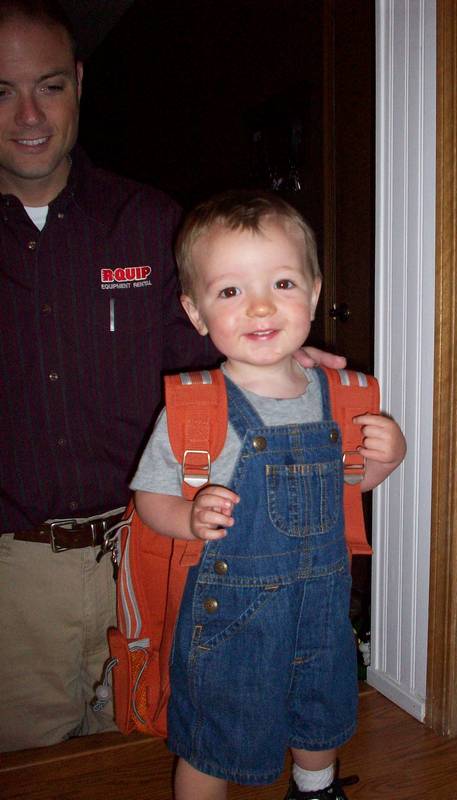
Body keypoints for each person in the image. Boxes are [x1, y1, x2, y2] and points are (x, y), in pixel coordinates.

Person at [0, 0, 342, 753]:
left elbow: (215, 356)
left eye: (49, 86)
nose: (28, 114)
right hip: (16, 577)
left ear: (78, 82)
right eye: (2, 91)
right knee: (34, 768)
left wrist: (281, 358)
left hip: (156, 547)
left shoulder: (153, 222)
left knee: (155, 736)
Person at [131, 191, 406, 800]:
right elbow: (150, 497)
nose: (260, 305)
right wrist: (188, 516)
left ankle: (316, 788)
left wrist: (386, 460)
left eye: (282, 283)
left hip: (323, 607)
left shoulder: (342, 397)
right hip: (231, 617)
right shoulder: (197, 406)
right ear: (196, 312)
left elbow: (348, 488)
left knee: (321, 711)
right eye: (230, 290)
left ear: (313, 292)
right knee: (213, 737)